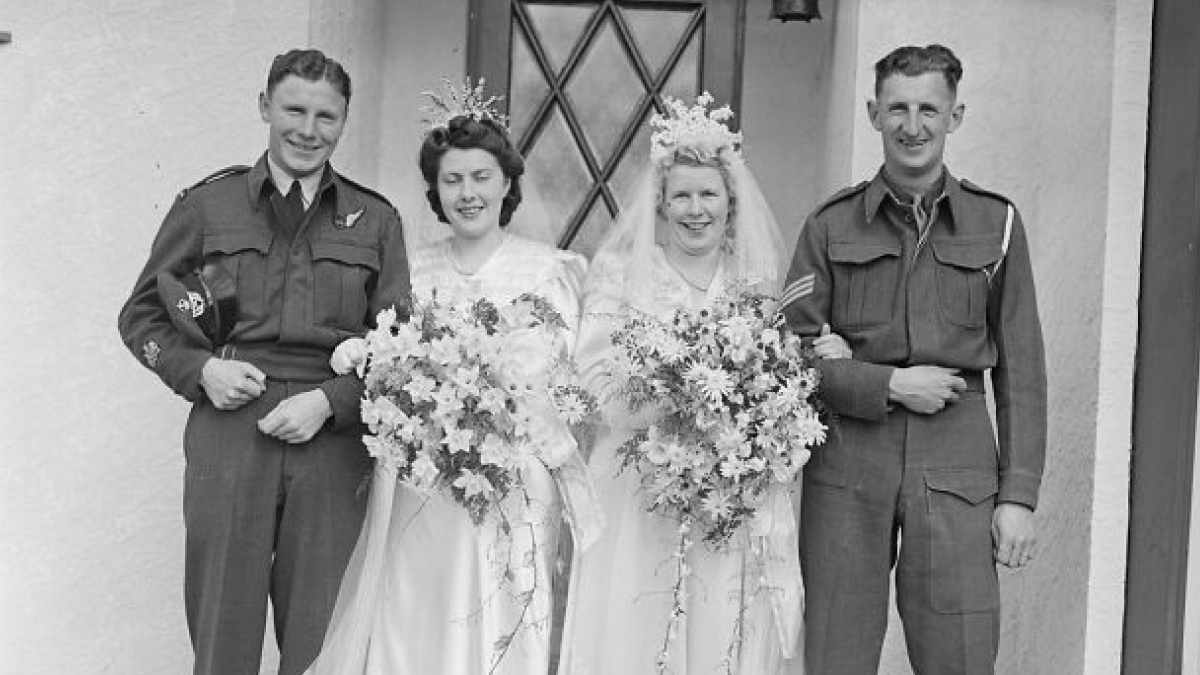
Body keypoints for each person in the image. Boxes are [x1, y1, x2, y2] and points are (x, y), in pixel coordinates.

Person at [116, 49, 410, 675]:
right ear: (264, 108)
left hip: (331, 442)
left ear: (343, 122)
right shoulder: (206, 207)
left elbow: (402, 350)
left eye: (327, 116)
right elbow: (140, 317)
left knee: (321, 634)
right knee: (223, 627)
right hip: (230, 430)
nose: (309, 129)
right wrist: (200, 371)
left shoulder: (376, 221)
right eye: (294, 109)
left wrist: (331, 403)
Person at [303, 90, 598, 675]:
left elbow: (565, 378)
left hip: (513, 470)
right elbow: (391, 360)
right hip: (423, 475)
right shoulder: (412, 269)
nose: (468, 194)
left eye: (481, 177)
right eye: (452, 179)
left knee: (501, 613)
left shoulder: (554, 270)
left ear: (507, 183)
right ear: (435, 191)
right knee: (415, 610)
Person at [780, 44, 1047, 675]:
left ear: (956, 116)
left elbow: (1022, 372)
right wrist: (888, 383)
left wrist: (1019, 496)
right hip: (848, 459)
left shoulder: (997, 223)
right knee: (836, 653)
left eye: (930, 108)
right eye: (897, 108)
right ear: (874, 113)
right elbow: (785, 359)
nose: (913, 125)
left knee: (959, 653)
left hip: (958, 462)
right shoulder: (830, 225)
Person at [560, 93, 801, 675]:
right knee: (638, 627)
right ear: (661, 205)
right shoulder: (621, 276)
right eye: (682, 196)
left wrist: (742, 434)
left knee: (721, 624)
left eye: (709, 194)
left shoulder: (753, 284)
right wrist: (669, 400)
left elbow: (779, 382)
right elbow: (592, 378)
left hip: (728, 493)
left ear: (730, 203)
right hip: (638, 488)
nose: (696, 209)